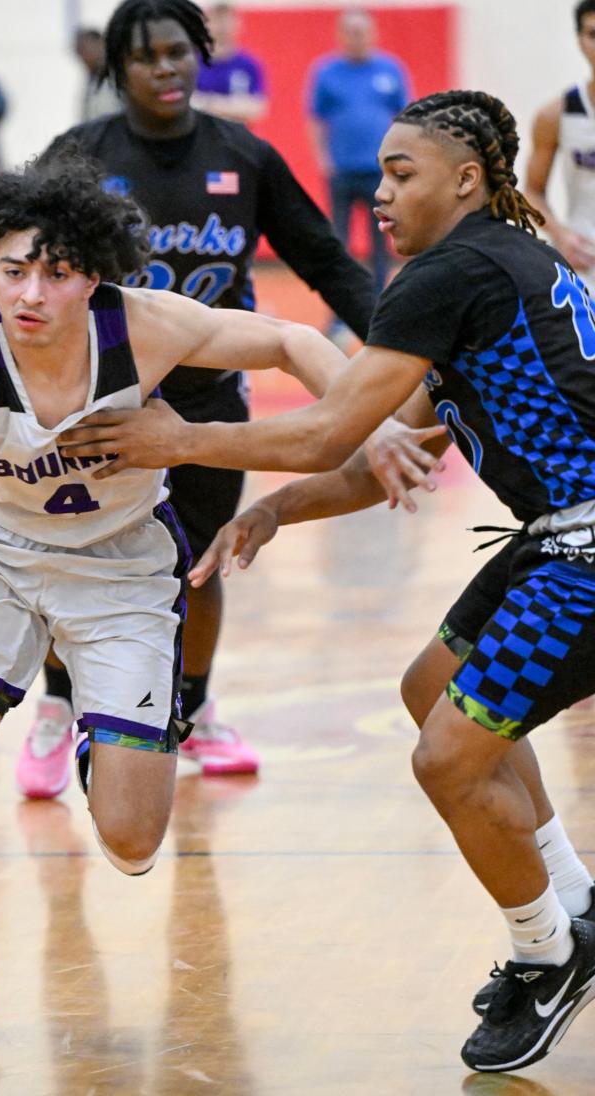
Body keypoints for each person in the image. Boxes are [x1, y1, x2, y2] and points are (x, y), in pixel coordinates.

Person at [65, 89, 595, 1075]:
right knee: (431, 688)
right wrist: (273, 509)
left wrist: (184, 437)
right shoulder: (492, 270)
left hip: (588, 548)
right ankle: (572, 905)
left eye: (403, 174)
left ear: (469, 179)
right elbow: (390, 449)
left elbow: (325, 424)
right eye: (382, 173)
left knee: (447, 759)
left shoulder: (451, 271)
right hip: (559, 533)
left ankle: (547, 953)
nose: (381, 194)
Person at [0, 151, 369, 1050]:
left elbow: (291, 341)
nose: (31, 291)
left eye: (56, 272)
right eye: (12, 269)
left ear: (93, 272)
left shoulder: (143, 327)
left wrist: (362, 421)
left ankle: (94, 732)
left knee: (134, 841)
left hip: (119, 569)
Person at [16, 0, 376, 798]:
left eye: (179, 52)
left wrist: (395, 345)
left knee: (201, 562)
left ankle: (194, 711)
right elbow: (14, 259)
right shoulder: (77, 155)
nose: (167, 69)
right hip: (94, 399)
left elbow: (325, 259)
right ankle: (55, 708)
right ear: (118, 69)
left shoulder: (242, 154)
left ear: (200, 54)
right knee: (67, 556)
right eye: (146, 57)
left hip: (211, 402)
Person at [307, 8, 410, 298]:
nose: (357, 37)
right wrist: (322, 158)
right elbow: (316, 118)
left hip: (381, 173)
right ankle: (342, 303)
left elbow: (405, 117)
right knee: (338, 241)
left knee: (383, 238)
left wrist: (400, 161)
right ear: (341, 35)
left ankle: (379, 300)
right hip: (341, 171)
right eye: (351, 32)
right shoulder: (326, 72)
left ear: (373, 33)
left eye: (362, 31)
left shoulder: (390, 70)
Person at [523, 0, 595, 289]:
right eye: (593, 34)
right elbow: (531, 192)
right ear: (579, 41)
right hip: (586, 260)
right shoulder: (555, 115)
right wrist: (560, 235)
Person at [192, 3, 267, 125]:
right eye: (217, 19)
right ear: (206, 25)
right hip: (201, 138)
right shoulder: (194, 62)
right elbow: (188, 104)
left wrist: (211, 104)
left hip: (237, 139)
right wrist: (233, 106)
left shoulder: (249, 65)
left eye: (227, 19)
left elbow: (257, 109)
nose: (222, 26)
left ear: (238, 24)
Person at [74, 28, 121, 123]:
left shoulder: (118, 74)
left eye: (86, 50)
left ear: (100, 44)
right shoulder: (91, 80)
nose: (83, 57)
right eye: (79, 53)